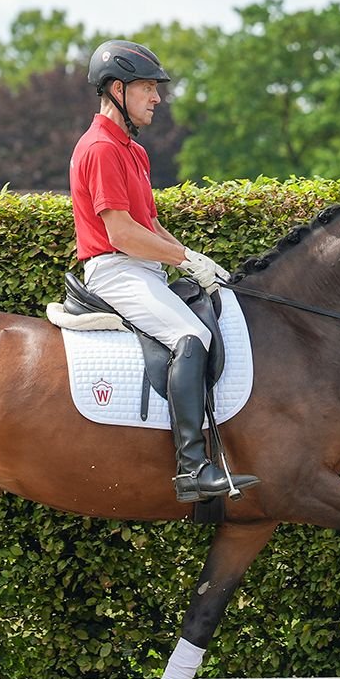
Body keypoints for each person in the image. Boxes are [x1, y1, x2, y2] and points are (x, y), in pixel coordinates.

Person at [69, 39, 259, 503]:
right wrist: (185, 260)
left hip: (143, 269)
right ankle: (192, 468)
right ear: (118, 89)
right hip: (117, 270)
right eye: (148, 88)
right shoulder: (100, 148)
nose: (157, 98)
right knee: (190, 338)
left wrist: (195, 259)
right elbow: (121, 234)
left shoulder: (132, 151)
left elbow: (148, 224)